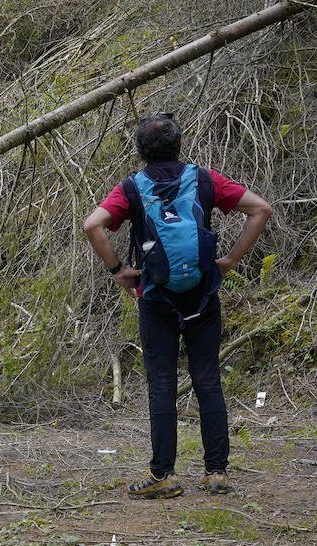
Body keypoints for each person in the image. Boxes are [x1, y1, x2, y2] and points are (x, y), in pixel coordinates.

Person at [83, 113, 273, 499]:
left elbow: (93, 226)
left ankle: (163, 476)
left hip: (155, 298)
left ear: (139, 150)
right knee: (207, 380)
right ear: (179, 144)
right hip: (202, 294)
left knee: (163, 383)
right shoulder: (205, 180)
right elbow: (260, 209)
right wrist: (231, 260)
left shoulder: (132, 188)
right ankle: (216, 473)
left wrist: (119, 270)